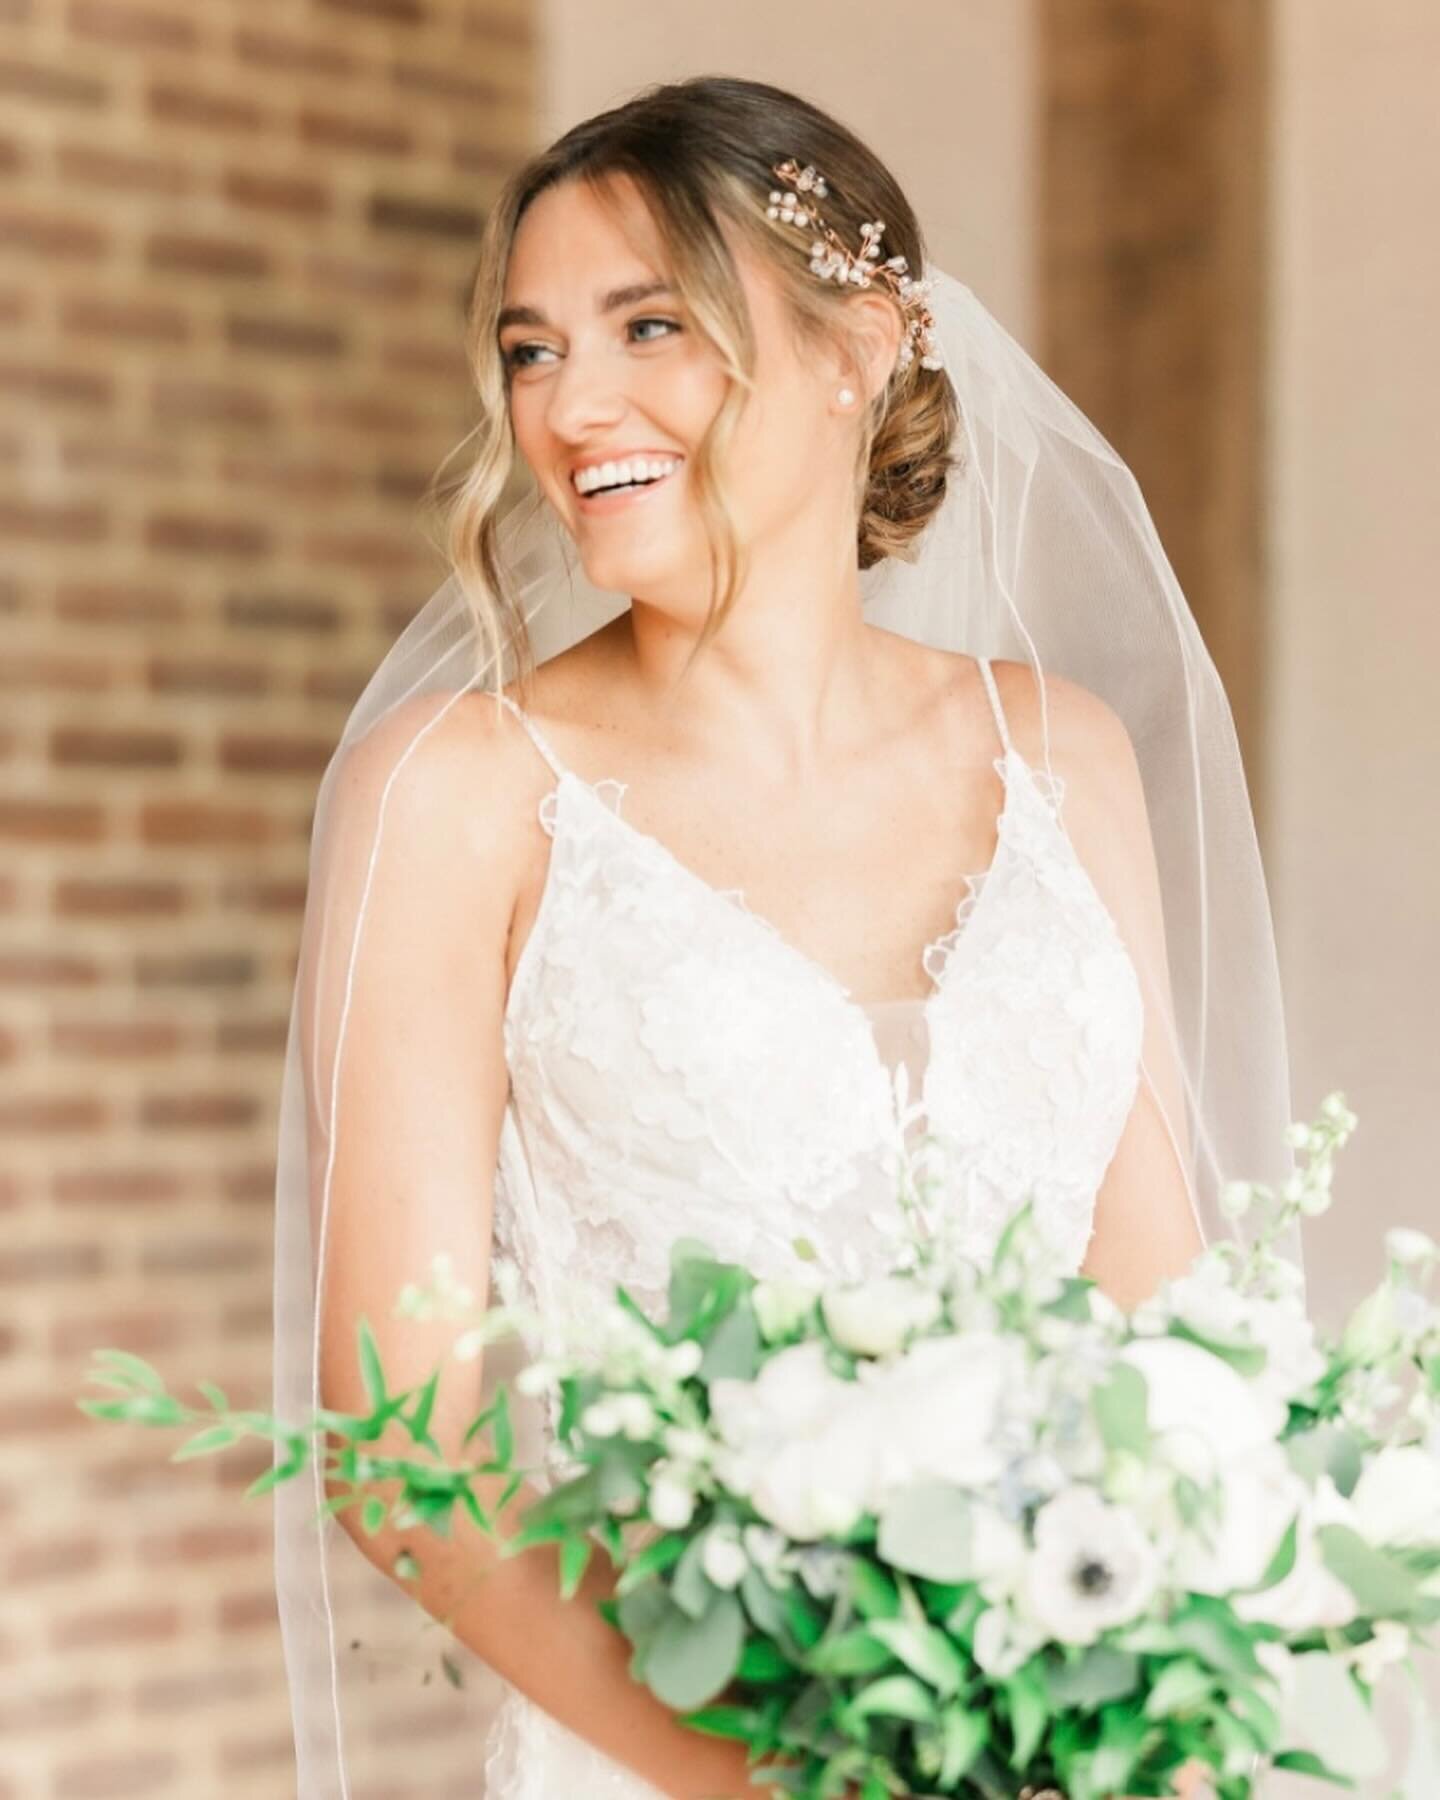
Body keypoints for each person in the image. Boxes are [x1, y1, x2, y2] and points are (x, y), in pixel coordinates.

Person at [273, 75, 1298, 1799]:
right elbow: (405, 1449)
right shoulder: (456, 795)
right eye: (531, 350)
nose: (570, 403)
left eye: (646, 324)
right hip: (669, 1764)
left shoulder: (1065, 758)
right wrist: (779, 1776)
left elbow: (1157, 1340)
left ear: (859, 348)